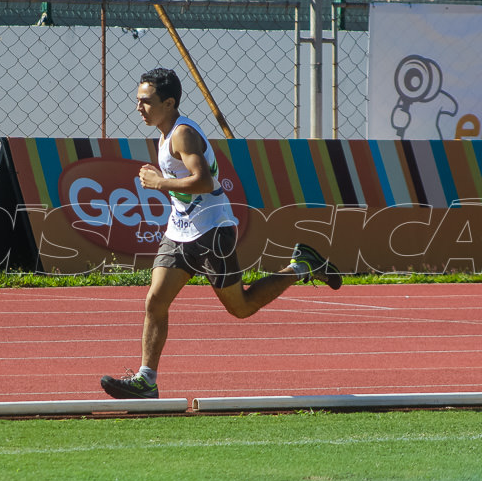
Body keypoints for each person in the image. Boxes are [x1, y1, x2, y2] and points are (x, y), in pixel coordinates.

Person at [100, 68, 342, 400]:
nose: (139, 107)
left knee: (240, 307)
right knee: (155, 300)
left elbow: (204, 181)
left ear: (169, 103)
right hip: (180, 230)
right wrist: (165, 185)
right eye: (138, 101)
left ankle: (301, 266)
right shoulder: (164, 132)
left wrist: (160, 183)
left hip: (211, 231)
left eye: (146, 101)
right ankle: (147, 380)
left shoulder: (183, 134)